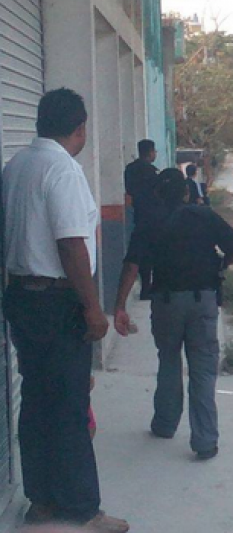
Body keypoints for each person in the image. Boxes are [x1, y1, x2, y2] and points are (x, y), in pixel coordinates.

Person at [3, 88, 129, 532]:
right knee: (71, 404)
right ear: (80, 128)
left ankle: (41, 500)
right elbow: (72, 244)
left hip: (22, 297)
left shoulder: (15, 166)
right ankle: (83, 508)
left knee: (37, 400)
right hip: (58, 301)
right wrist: (93, 307)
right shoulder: (63, 170)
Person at [114, 169, 233, 462]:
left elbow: (131, 265)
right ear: (186, 193)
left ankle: (165, 424)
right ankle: (205, 441)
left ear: (158, 194)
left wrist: (120, 306)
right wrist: (219, 266)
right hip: (203, 301)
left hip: (166, 302)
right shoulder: (205, 216)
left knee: (169, 360)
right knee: (203, 369)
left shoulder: (149, 221)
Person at [124, 139, 160, 299]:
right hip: (154, 216)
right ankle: (150, 287)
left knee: (140, 254)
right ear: (150, 152)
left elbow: (129, 191)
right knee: (154, 254)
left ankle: (145, 288)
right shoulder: (152, 172)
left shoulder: (130, 170)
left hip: (138, 215)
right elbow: (157, 193)